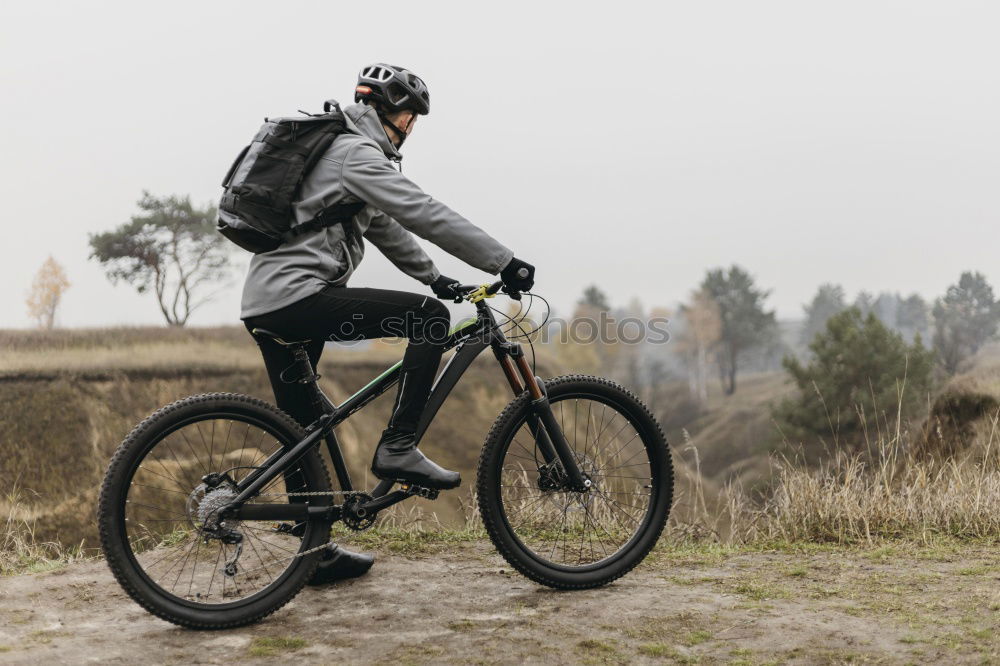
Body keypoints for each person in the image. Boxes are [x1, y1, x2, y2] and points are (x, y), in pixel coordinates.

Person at [240, 63, 535, 584]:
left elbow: (386, 227)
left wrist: (436, 276)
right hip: (300, 297)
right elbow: (422, 210)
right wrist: (503, 261)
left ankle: (311, 549)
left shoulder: (339, 153)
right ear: (390, 109)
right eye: (410, 115)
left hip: (267, 304)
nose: (411, 127)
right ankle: (398, 446)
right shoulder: (357, 153)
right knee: (428, 321)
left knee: (303, 423)